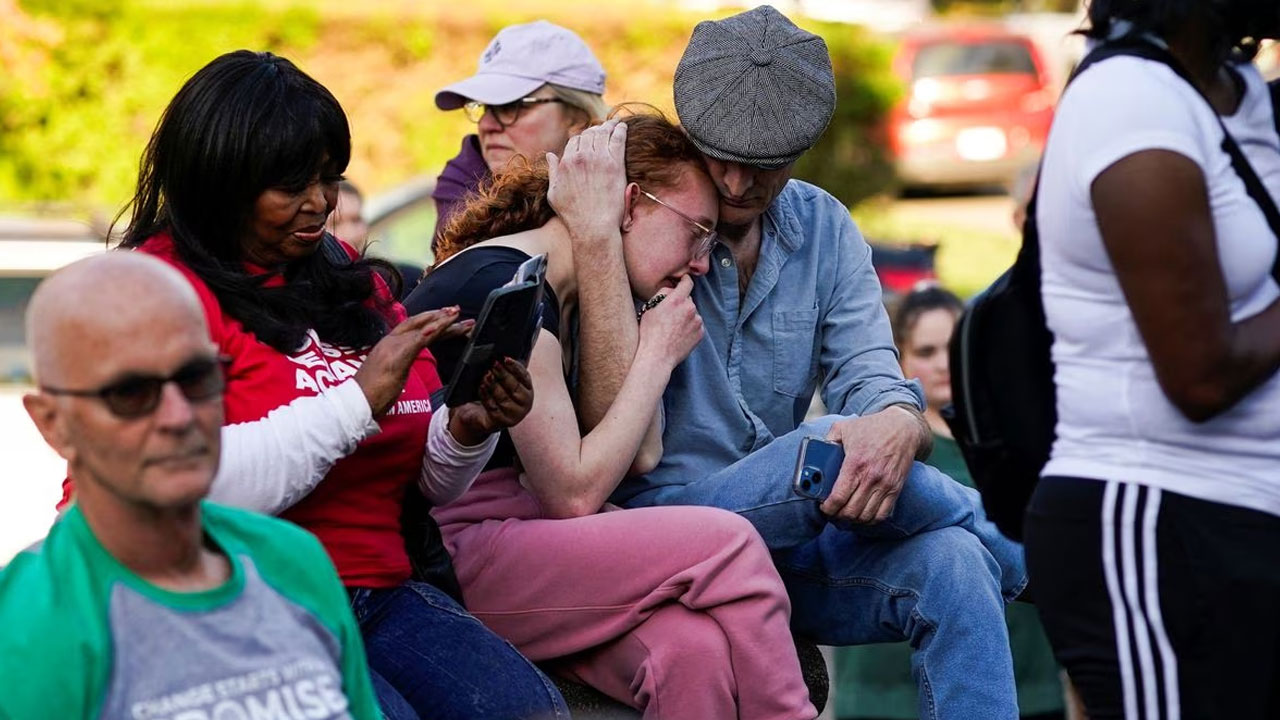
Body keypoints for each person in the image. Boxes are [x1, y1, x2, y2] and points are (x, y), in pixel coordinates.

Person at [63, 50, 568, 720]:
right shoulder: (154, 293)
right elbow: (181, 488)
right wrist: (358, 399)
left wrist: (468, 428)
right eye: (291, 186)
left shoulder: (348, 278)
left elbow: (423, 479)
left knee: (531, 711)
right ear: (221, 182)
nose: (320, 204)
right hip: (231, 599)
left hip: (377, 590)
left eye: (330, 178)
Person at [556, 8, 1028, 719]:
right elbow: (616, 433)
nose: (740, 184)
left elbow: (874, 377)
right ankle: (1030, 550)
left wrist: (899, 422)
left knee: (957, 567)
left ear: (803, 149)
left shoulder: (826, 228)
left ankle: (1003, 553)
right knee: (824, 447)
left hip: (792, 545)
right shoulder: (648, 221)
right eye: (721, 158)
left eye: (767, 165)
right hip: (663, 530)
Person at [403, 113, 816, 720]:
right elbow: (571, 493)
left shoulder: (575, 287)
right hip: (451, 552)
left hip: (524, 547)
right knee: (729, 544)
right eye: (698, 232)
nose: (702, 263)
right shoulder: (507, 280)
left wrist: (606, 261)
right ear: (629, 204)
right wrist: (653, 356)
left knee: (689, 651)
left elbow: (640, 453)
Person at [1023, 1, 1280, 717]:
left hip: (1251, 521)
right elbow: (1200, 375)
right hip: (1160, 522)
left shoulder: (1242, 92)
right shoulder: (1129, 98)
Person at [1, 253, 380, 719]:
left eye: (197, 378)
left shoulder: (293, 561)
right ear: (53, 424)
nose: (179, 417)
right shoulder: (33, 620)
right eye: (131, 394)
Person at [834, 284, 1065, 720]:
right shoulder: (878, 452)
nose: (943, 364)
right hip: (886, 696)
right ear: (898, 358)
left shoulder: (1024, 442)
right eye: (926, 349)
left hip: (1027, 687)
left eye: (953, 347)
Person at [430, 20, 609, 252]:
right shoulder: (462, 183)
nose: (486, 124)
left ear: (578, 118)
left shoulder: (640, 182)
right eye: (485, 107)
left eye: (512, 106)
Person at [327, 179, 422, 298]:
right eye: (335, 223)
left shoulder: (406, 280)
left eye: (356, 220)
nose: (350, 233)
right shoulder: (307, 292)